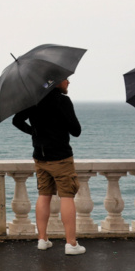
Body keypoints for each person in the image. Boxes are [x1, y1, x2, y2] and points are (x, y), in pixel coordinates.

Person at [12, 78, 85, 255]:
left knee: (44, 195)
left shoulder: (33, 99)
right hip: (60, 156)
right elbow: (76, 130)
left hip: (40, 156)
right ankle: (71, 244)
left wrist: (35, 132)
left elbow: (17, 120)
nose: (69, 82)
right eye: (66, 79)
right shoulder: (62, 100)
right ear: (56, 81)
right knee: (67, 196)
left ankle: (42, 240)